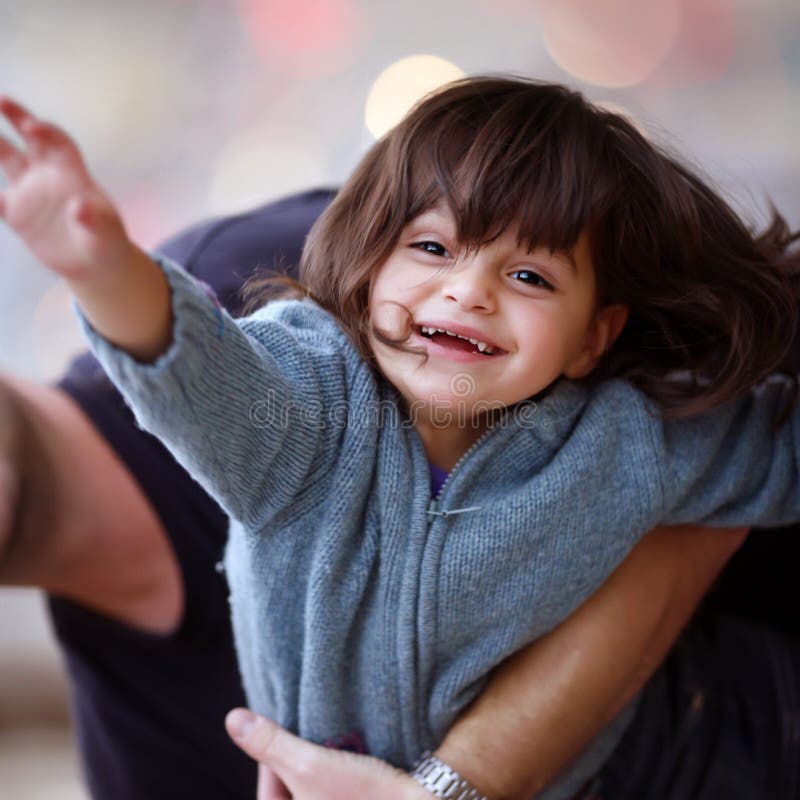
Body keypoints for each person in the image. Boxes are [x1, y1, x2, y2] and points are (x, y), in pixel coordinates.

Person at [1, 76, 798, 798]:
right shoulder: (305, 420)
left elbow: (768, 446)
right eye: (431, 248)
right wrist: (100, 268)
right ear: (368, 269)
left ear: (594, 336)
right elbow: (201, 374)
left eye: (530, 277)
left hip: (705, 743)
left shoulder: (625, 438)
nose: (469, 290)